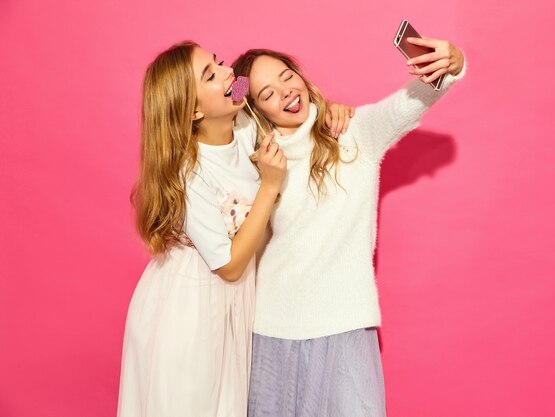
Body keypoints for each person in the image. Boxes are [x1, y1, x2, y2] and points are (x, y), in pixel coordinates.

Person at [232, 35, 466, 417]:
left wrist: (452, 64)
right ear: (255, 108)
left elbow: (413, 99)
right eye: (268, 93)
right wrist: (239, 85)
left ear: (302, 77)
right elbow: (222, 112)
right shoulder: (258, 154)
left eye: (288, 76)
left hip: (345, 320)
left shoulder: (357, 133)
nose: (287, 92)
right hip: (274, 324)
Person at [116, 40, 352, 417]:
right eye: (211, 74)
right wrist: (270, 186)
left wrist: (328, 110)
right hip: (190, 305)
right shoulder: (191, 173)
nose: (229, 73)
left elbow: (269, 95)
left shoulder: (241, 119)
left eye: (219, 62)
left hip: (233, 303)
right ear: (193, 110)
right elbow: (229, 266)